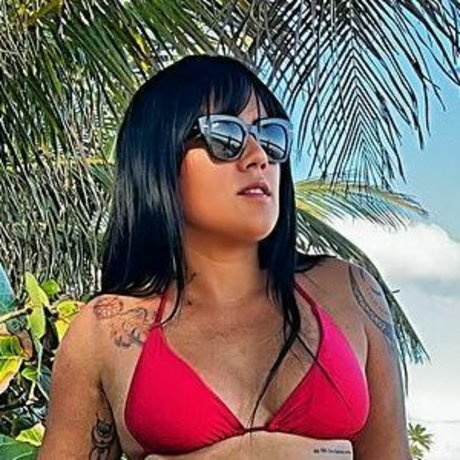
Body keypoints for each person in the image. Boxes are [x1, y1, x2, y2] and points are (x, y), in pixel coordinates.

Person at [38, 55, 411, 459]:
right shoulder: (106, 329)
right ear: (159, 158)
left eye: (271, 136)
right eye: (225, 136)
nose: (259, 156)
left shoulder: (349, 291)